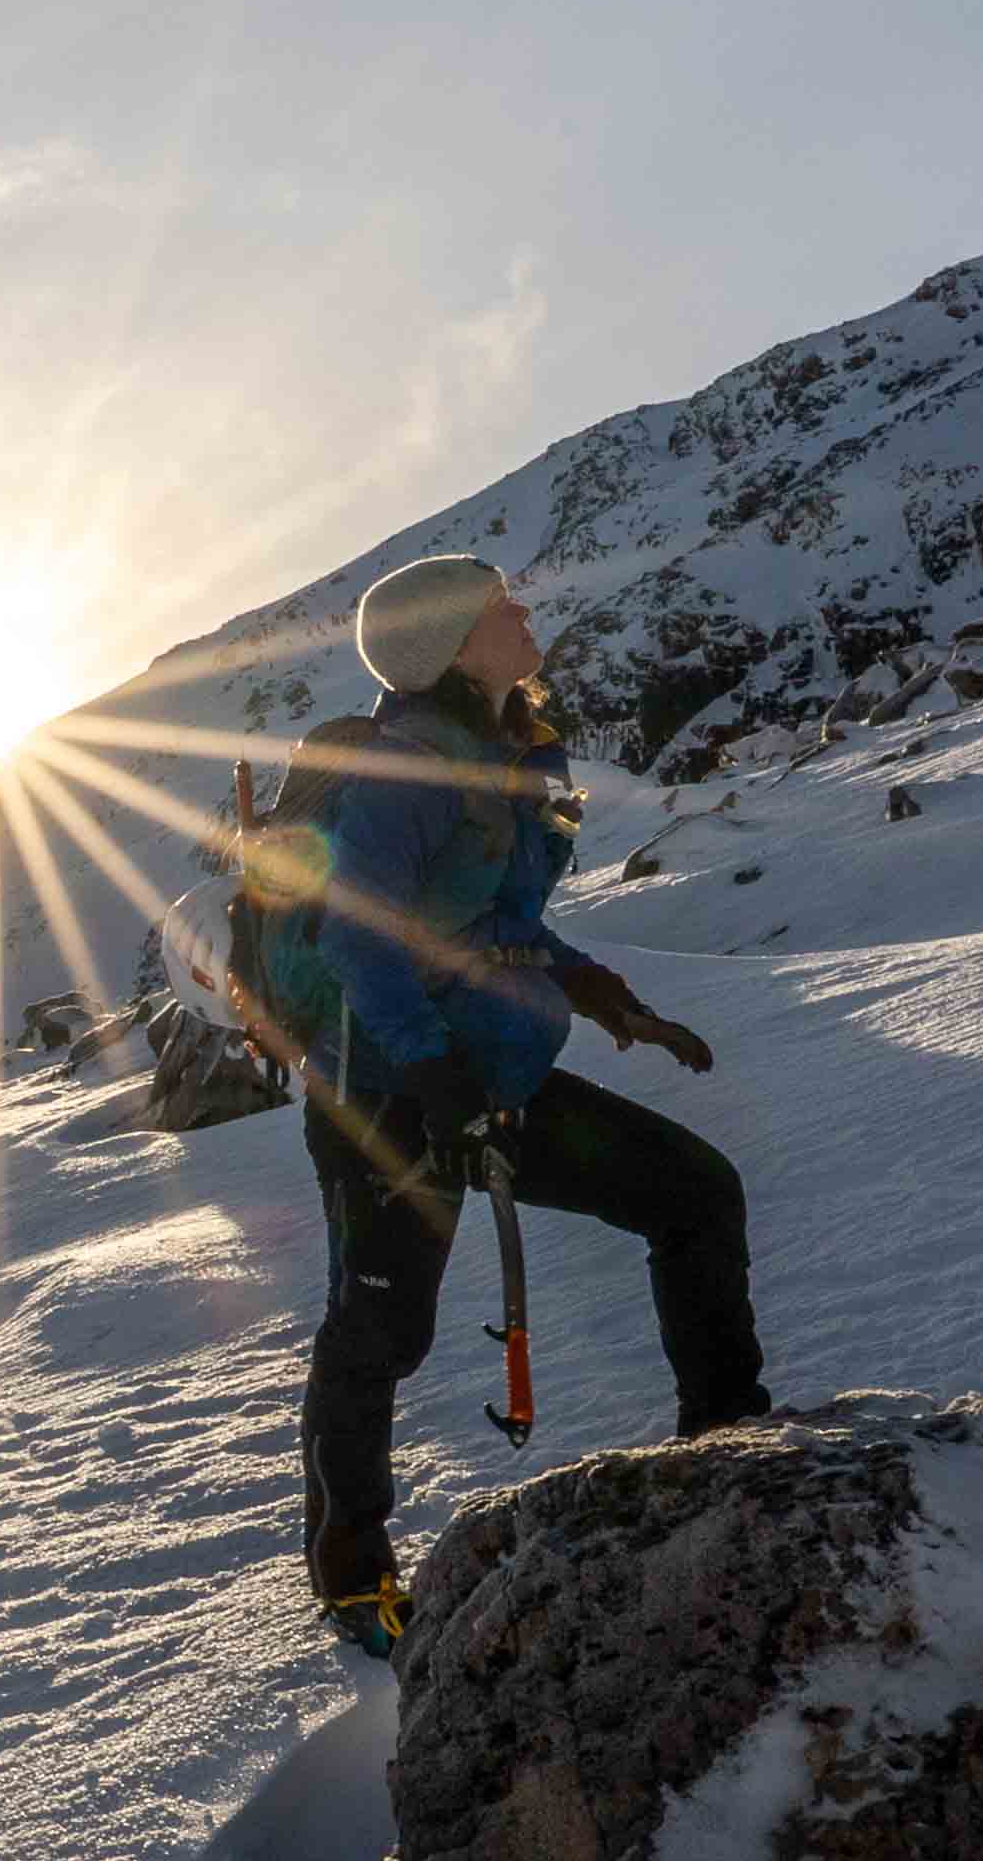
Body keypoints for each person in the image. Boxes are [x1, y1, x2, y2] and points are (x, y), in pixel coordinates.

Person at [297, 549, 769, 1650]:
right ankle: (352, 1578)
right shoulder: (406, 770)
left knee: (694, 1195)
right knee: (379, 1333)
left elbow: (492, 920)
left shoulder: (510, 752)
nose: (523, 613)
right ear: (451, 645)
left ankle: (726, 1445)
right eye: (500, 606)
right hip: (388, 1097)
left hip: (490, 1075)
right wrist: (431, 1076)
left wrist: (597, 990)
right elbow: (358, 938)